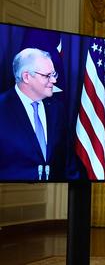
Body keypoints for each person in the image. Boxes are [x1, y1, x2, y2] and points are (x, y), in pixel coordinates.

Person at [0, 48, 74, 181]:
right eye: (47, 76)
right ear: (26, 77)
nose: (54, 81)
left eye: (54, 74)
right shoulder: (2, 108)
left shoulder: (57, 109)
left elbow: (68, 162)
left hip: (54, 194)